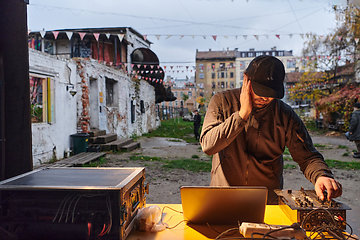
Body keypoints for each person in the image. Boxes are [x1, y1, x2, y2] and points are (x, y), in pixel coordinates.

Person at [200, 55, 342, 204]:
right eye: (260, 90)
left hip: (267, 202)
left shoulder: (285, 115)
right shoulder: (222, 101)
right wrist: (242, 115)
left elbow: (308, 157)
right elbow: (208, 145)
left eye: (271, 93)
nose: (264, 97)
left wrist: (321, 175)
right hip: (223, 198)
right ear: (246, 79)